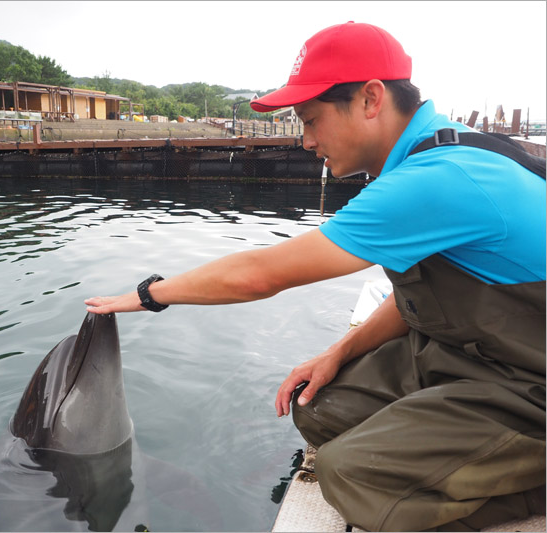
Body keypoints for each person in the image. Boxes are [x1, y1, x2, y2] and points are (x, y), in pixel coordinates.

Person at [85, 21, 545, 531]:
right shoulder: (420, 161)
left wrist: (149, 295)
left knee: (350, 475)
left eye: (310, 120)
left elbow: (259, 276)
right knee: (319, 408)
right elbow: (430, 296)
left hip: (529, 382)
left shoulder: (438, 179)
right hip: (471, 358)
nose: (305, 141)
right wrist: (337, 353)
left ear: (371, 98)